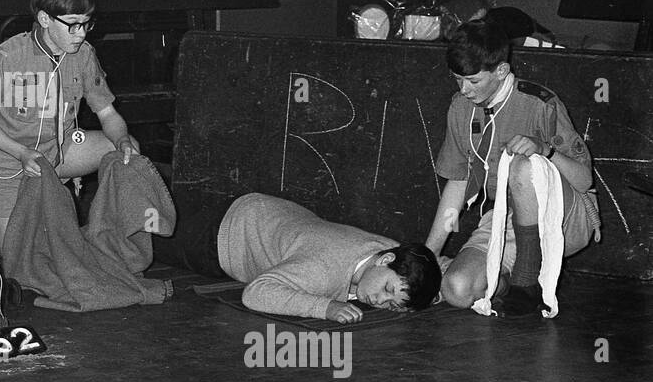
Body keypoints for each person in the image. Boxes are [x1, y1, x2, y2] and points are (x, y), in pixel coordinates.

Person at [425, 19, 599, 315]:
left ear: (501, 70)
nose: (464, 89)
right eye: (457, 79)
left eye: (474, 81)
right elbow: (458, 182)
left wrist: (546, 150)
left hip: (566, 217)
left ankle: (527, 279)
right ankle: (513, 278)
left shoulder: (539, 104)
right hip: (508, 216)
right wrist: (428, 256)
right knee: (457, 289)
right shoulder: (459, 108)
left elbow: (583, 181)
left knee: (523, 165)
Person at [0, 0, 140, 254]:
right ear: (45, 19)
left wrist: (122, 140)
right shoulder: (7, 57)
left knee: (128, 150)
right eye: (73, 25)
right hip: (9, 162)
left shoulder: (84, 54)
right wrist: (22, 153)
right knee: (12, 262)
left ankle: (113, 240)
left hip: (60, 150)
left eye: (87, 24)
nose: (82, 33)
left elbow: (108, 113)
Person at [153, 192, 441, 320]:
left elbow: (423, 265)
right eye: (387, 290)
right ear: (384, 260)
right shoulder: (323, 269)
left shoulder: (391, 252)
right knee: (134, 231)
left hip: (263, 213)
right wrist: (325, 308)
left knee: (152, 202)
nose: (379, 300)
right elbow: (255, 293)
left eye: (392, 304)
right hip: (217, 239)